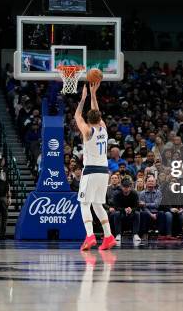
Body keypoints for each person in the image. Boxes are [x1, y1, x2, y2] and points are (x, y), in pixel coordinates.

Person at [74, 82, 115, 251]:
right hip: (104, 172)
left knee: (84, 204)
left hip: (90, 171)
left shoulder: (88, 131)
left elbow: (77, 116)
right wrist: (93, 94)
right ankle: (108, 237)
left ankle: (90, 236)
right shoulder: (104, 128)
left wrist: (83, 99)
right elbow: (95, 113)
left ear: (89, 120)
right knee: (98, 204)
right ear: (99, 119)